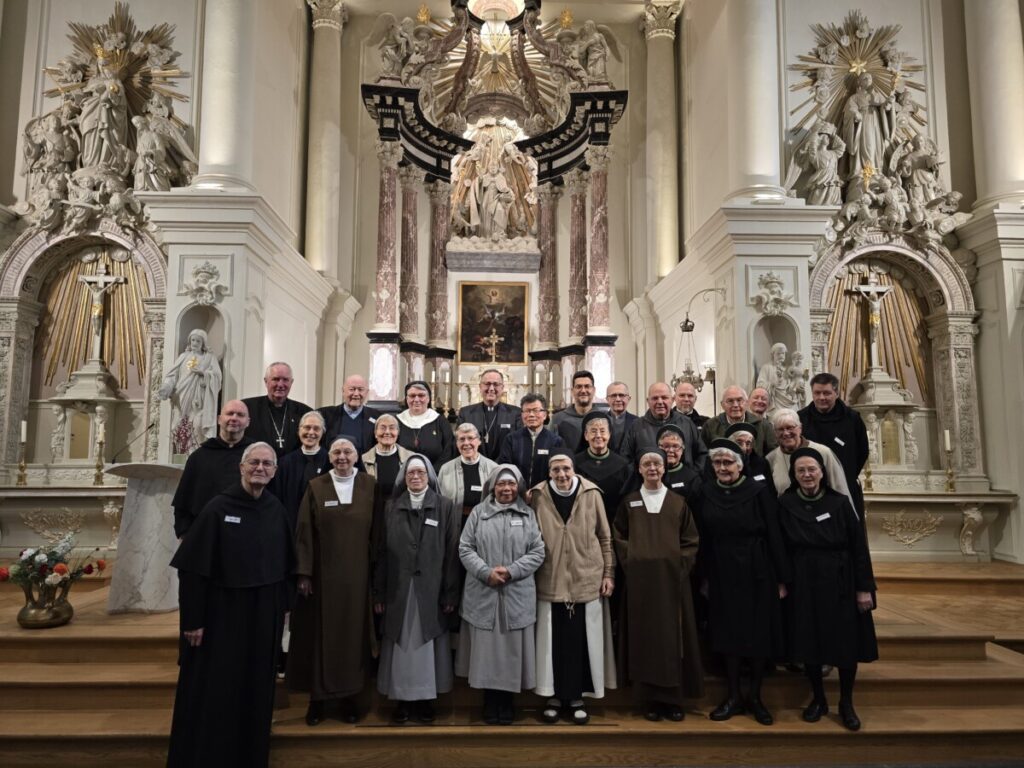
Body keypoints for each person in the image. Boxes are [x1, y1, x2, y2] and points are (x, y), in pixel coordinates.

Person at [167, 442, 293, 768]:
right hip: (222, 616)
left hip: (263, 616)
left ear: (275, 471)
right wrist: (192, 621)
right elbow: (192, 570)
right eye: (254, 463)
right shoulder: (217, 509)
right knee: (217, 692)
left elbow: (286, 567)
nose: (260, 469)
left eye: (267, 464)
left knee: (254, 691)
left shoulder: (275, 510)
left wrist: (284, 610)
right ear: (241, 467)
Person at [777, 448, 878, 731]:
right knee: (809, 641)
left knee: (845, 642)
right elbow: (781, 547)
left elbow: (859, 548)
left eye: (812, 469)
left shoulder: (840, 503)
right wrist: (782, 580)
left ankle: (846, 702)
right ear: (794, 475)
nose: (807, 475)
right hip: (803, 580)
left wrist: (864, 588)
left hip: (839, 579)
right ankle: (818, 699)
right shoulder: (785, 503)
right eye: (801, 471)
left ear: (822, 471)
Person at [288, 438, 380, 726]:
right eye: (337, 452)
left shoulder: (369, 486)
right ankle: (318, 701)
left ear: (357, 456)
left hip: (358, 577)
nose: (342, 457)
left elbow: (377, 534)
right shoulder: (316, 486)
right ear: (330, 456)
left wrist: (378, 578)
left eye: (347, 452)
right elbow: (303, 530)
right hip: (323, 578)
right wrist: (304, 573)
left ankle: (349, 698)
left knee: (353, 637)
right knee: (321, 637)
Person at [699, 439, 789, 726]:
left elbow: (774, 533)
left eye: (728, 463)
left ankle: (756, 698)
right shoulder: (707, 491)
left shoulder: (758, 491)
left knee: (757, 633)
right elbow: (702, 536)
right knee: (728, 633)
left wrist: (782, 577)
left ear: (740, 465)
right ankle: (734, 696)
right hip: (721, 570)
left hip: (757, 569)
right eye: (717, 463)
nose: (723, 468)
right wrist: (702, 575)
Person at [614, 448, 703, 722]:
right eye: (646, 464)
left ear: (665, 469)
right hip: (639, 584)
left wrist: (677, 566)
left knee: (673, 640)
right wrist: (634, 561)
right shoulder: (629, 503)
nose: (652, 468)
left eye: (657, 464)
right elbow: (619, 536)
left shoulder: (678, 503)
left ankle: (673, 701)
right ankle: (648, 700)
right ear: (639, 470)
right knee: (644, 638)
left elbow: (691, 541)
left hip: (673, 584)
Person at [373, 455, 460, 724]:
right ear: (403, 477)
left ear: (429, 476)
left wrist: (449, 592)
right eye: (410, 473)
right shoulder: (390, 507)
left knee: (427, 646)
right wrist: (379, 592)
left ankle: (425, 702)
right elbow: (380, 554)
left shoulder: (445, 506)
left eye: (421, 473)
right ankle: (402, 701)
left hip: (431, 589)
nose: (415, 477)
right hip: (398, 589)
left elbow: (452, 553)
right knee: (401, 647)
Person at [456, 465, 545, 725]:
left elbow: (538, 552)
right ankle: (490, 702)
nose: (506, 489)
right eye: (501, 485)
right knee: (487, 654)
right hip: (484, 592)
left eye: (511, 484)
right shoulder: (478, 514)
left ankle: (507, 703)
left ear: (518, 487)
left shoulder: (528, 514)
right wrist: (486, 572)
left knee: (510, 654)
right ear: (492, 487)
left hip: (515, 593)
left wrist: (512, 571)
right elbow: (465, 548)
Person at [530, 452, 616, 725]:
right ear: (549, 472)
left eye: (566, 469)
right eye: (555, 470)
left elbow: (604, 536)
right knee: (552, 644)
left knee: (581, 642)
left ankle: (578, 697)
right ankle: (553, 697)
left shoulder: (591, 494)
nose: (562, 475)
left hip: (585, 578)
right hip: (550, 578)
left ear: (574, 469)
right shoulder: (537, 496)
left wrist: (608, 572)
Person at [171, 400, 252, 539]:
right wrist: (185, 534)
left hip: (246, 533)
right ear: (219, 419)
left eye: (240, 415)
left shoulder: (256, 455)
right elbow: (182, 502)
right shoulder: (199, 457)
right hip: (206, 534)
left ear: (248, 422)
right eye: (229, 414)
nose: (234, 418)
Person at [798, 373, 870, 520]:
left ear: (836, 393)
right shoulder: (801, 418)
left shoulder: (852, 418)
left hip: (844, 487)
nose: (821, 397)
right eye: (817, 393)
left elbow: (862, 451)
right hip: (811, 490)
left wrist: (846, 475)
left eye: (827, 393)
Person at [766, 409, 855, 512]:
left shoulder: (823, 452)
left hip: (824, 518)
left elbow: (840, 490)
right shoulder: (771, 459)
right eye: (780, 429)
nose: (786, 433)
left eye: (790, 427)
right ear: (775, 433)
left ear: (800, 428)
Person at [157, 328, 222, 454]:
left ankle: (196, 453)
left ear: (203, 343)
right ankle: (181, 452)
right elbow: (172, 376)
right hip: (181, 396)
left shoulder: (209, 358)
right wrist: (166, 387)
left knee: (197, 425)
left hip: (200, 400)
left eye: (198, 341)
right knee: (178, 425)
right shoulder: (183, 357)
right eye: (193, 340)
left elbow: (217, 377)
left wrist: (203, 373)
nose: (195, 343)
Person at [620, 382, 707, 472]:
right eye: (655, 398)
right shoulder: (636, 426)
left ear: (672, 400)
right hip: (649, 484)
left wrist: (693, 476)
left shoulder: (687, 423)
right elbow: (625, 459)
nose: (660, 402)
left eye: (664, 397)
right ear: (648, 401)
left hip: (684, 483)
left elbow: (702, 454)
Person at [269, 410, 330, 532]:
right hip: (291, 525)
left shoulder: (330, 461)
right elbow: (277, 496)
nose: (311, 432)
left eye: (316, 429)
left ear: (323, 432)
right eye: (307, 427)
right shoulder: (285, 462)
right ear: (299, 431)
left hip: (322, 526)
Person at [574, 410, 631, 525]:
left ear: (609, 434)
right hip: (582, 521)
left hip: (614, 521)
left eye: (602, 431)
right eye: (593, 431)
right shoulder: (574, 463)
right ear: (586, 435)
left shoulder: (622, 465)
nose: (598, 435)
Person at [243, 362, 312, 458]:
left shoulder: (305, 412)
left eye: (285, 380)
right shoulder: (247, 408)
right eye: (275, 379)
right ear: (266, 381)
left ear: (291, 382)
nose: (280, 384)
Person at [498, 393, 565, 488]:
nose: (531, 415)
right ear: (522, 415)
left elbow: (559, 471)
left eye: (536, 410)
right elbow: (504, 468)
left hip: (545, 494)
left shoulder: (556, 441)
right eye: (527, 411)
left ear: (545, 414)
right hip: (516, 493)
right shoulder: (511, 439)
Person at [456, 369, 523, 461]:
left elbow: (518, 445)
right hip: (474, 465)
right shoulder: (466, 413)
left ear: (502, 388)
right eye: (487, 384)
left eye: (496, 384)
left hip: (504, 467)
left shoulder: (515, 413)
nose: (491, 388)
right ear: (480, 387)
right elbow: (460, 442)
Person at [438, 423, 499, 522]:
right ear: (457, 443)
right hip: (455, 523)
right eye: (461, 439)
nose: (466, 443)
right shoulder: (445, 469)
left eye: (470, 438)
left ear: (479, 441)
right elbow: (439, 502)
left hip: (485, 523)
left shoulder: (493, 469)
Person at [701, 385, 777, 458]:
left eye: (739, 400)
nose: (735, 405)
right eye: (730, 401)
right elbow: (703, 455)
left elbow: (772, 456)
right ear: (722, 405)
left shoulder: (763, 425)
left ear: (746, 403)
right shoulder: (710, 426)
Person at [396, 380, 454, 470]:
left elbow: (448, 451)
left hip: (435, 475)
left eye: (421, 395)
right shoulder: (397, 421)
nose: (416, 399)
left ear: (428, 398)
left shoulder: (440, 422)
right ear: (406, 399)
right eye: (412, 396)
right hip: (403, 475)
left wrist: (431, 473)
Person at [319, 374, 382, 454]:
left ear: (367, 392)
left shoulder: (378, 417)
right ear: (343, 391)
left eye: (360, 389)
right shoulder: (325, 416)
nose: (356, 394)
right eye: (352, 389)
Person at [361, 414, 413, 498]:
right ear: (375, 433)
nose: (387, 432)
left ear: (398, 433)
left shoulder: (410, 458)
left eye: (392, 428)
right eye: (383, 428)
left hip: (401, 507)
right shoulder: (363, 460)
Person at [548, 370, 596, 450]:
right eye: (578, 387)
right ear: (572, 391)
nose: (583, 390)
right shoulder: (557, 419)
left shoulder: (604, 418)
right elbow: (551, 448)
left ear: (594, 390)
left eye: (587, 386)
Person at [604, 381, 637, 454]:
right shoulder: (600, 421)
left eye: (621, 395)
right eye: (613, 395)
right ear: (607, 399)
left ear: (629, 398)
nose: (618, 399)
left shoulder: (638, 422)